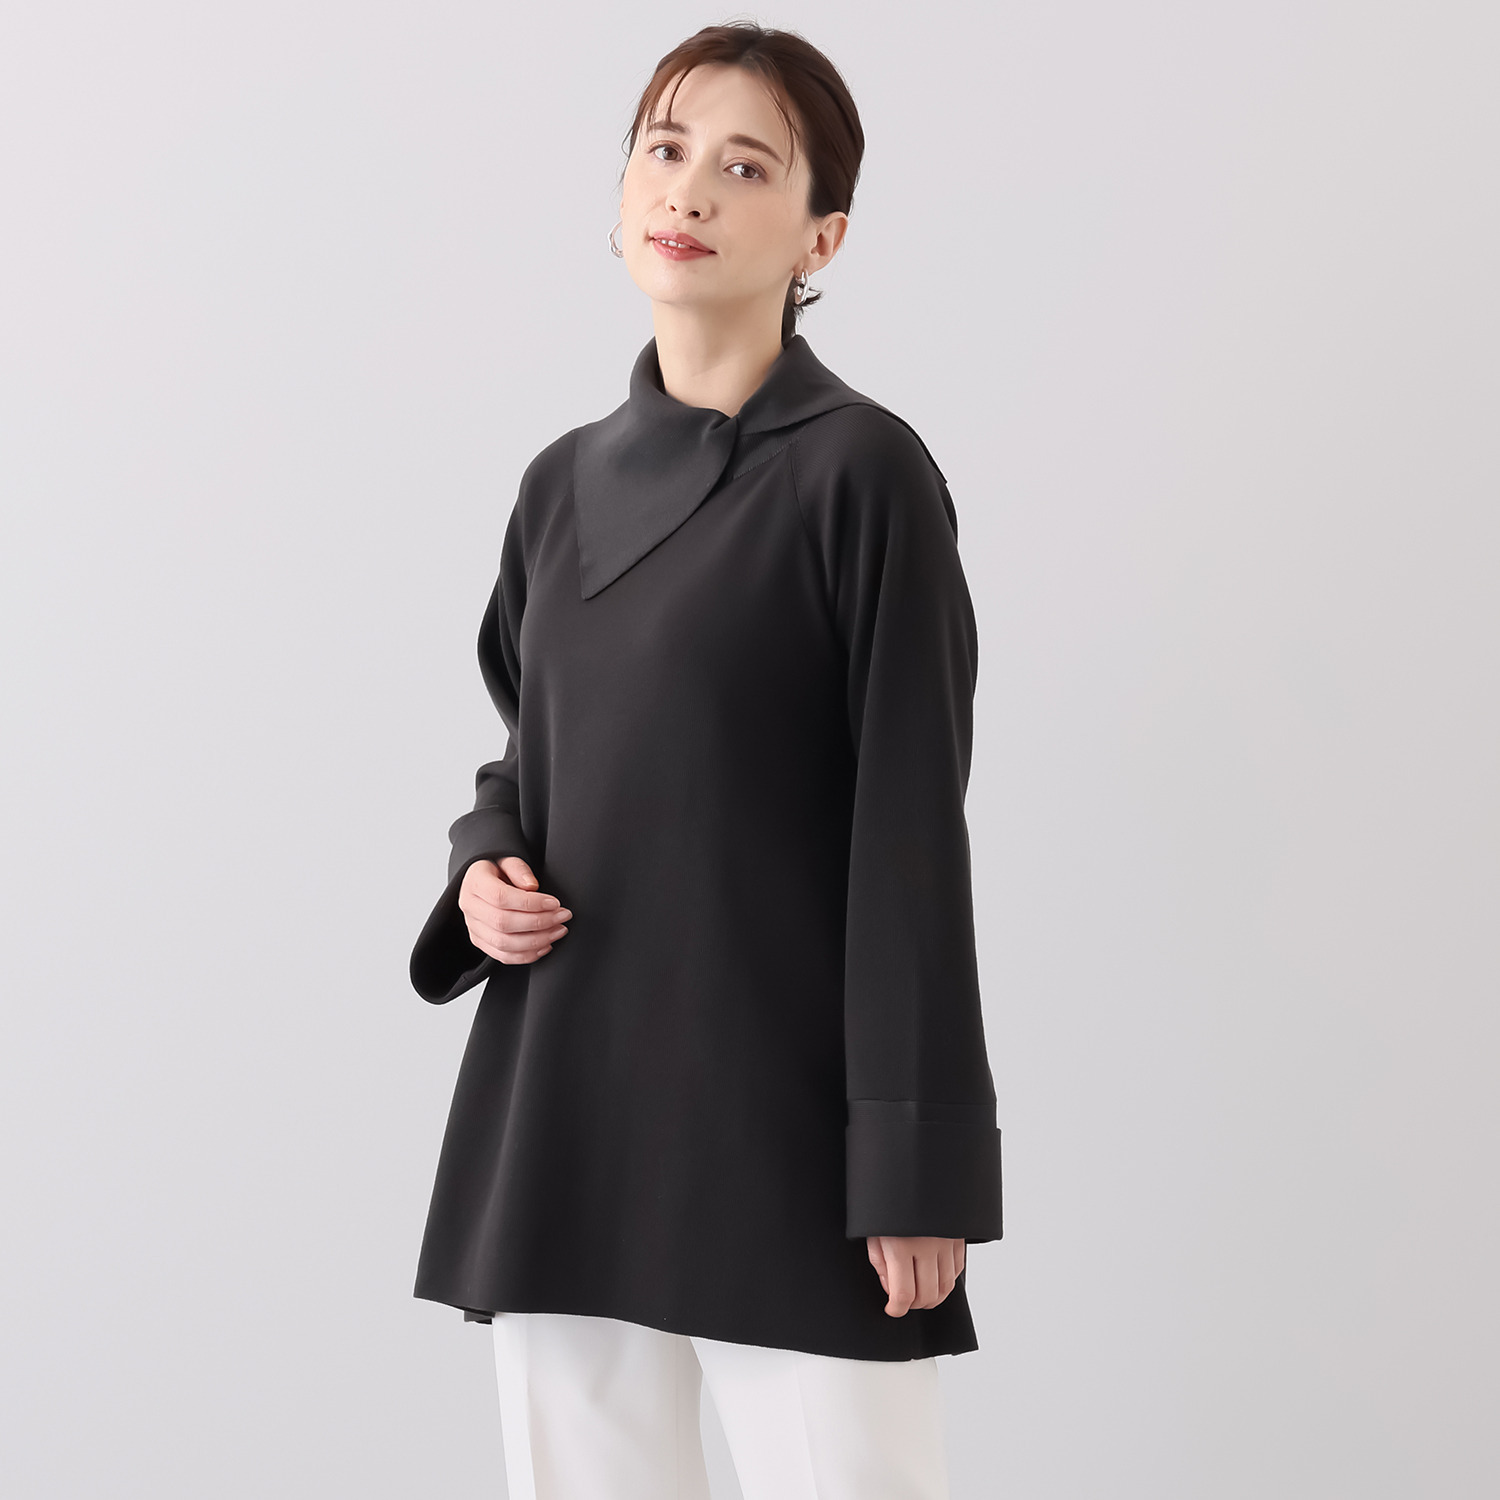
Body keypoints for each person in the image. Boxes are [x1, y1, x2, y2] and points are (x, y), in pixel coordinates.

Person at [407, 22, 1004, 1499]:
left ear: (821, 235)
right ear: (622, 194)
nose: (688, 189)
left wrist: (911, 1164)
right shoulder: (560, 486)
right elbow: (531, 752)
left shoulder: (863, 474)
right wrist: (484, 866)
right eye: (665, 150)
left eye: (746, 167)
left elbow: (911, 836)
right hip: (568, 1102)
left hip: (785, 1124)